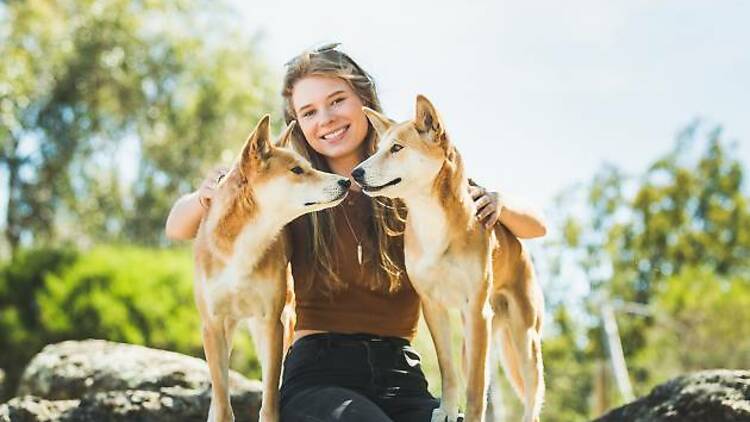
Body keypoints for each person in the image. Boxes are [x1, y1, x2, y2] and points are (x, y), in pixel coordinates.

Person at [165, 43, 547, 422]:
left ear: (363, 98)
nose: (326, 118)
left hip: (401, 374)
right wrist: (207, 197)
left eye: (337, 101)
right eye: (309, 112)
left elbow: (536, 226)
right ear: (297, 123)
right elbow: (178, 226)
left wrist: (501, 202)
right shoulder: (290, 188)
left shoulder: (415, 170)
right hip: (318, 375)